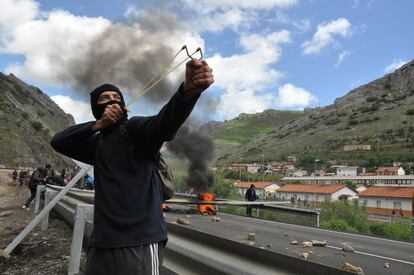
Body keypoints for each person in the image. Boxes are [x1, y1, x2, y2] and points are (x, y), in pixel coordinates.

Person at [50, 59, 214, 275]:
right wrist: (97, 126)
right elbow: (58, 141)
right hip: (102, 242)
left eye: (116, 98)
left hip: (139, 242)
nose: (111, 102)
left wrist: (187, 93)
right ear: (96, 110)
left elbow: (164, 124)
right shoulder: (96, 144)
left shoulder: (135, 130)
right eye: (104, 99)